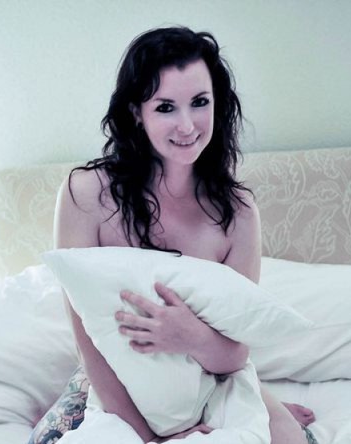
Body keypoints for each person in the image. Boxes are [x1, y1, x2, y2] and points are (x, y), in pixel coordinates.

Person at [53, 26, 316, 444]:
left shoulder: (238, 213)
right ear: (136, 112)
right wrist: (153, 438)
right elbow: (88, 343)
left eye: (199, 102)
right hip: (114, 385)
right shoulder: (86, 195)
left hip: (213, 381)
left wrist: (187, 334)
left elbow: (234, 356)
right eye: (165, 107)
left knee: (287, 437)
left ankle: (268, 402)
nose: (187, 125)